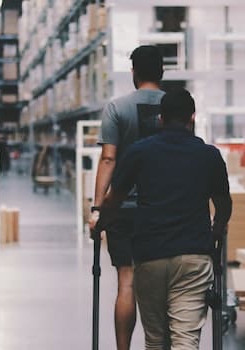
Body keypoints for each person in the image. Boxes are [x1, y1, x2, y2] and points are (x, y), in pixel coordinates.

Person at [99, 89, 233, 350]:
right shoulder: (209, 155)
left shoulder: (139, 152)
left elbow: (114, 199)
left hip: (150, 255)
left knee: (156, 340)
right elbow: (224, 205)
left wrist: (101, 222)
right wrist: (216, 231)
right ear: (192, 118)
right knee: (185, 339)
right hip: (193, 255)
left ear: (161, 119)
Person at [89, 45, 166, 350]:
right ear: (162, 71)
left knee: (127, 281)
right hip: (161, 209)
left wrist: (97, 208)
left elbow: (108, 160)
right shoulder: (176, 107)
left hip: (123, 208)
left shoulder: (116, 108)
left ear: (133, 71)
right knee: (161, 284)